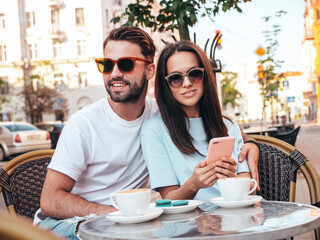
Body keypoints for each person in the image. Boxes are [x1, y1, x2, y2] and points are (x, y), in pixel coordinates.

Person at [34, 26, 259, 239]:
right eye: (106, 65)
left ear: (150, 70)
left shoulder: (159, 114)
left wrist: (249, 143)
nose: (114, 74)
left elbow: (211, 123)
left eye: (125, 64)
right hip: (68, 223)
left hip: (129, 222)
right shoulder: (84, 124)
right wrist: (118, 214)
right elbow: (50, 201)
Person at [140, 40, 253, 200]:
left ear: (205, 76)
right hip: (189, 223)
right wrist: (194, 184)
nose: (187, 83)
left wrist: (231, 177)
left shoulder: (228, 126)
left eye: (194, 74)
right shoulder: (154, 130)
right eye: (175, 78)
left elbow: (251, 192)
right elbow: (169, 199)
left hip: (236, 219)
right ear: (166, 85)